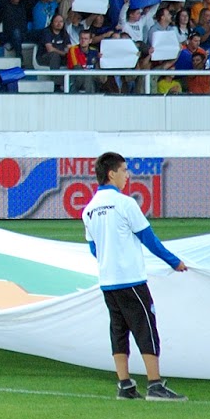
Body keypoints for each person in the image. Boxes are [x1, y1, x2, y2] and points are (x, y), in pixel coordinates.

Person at [82, 151, 188, 401]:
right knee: (146, 328)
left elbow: (93, 248)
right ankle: (154, 385)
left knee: (118, 330)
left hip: (107, 281)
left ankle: (125, 385)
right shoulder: (126, 204)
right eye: (124, 171)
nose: (127, 176)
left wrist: (110, 261)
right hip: (130, 279)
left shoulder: (89, 209)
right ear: (112, 173)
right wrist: (175, 262)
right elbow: (148, 239)